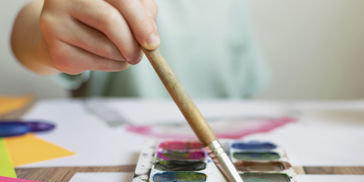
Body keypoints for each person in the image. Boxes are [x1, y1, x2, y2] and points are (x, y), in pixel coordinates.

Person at [11, 0, 268, 98]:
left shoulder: (232, 6)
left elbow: (247, 95)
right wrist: (42, 39)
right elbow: (31, 26)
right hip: (114, 158)